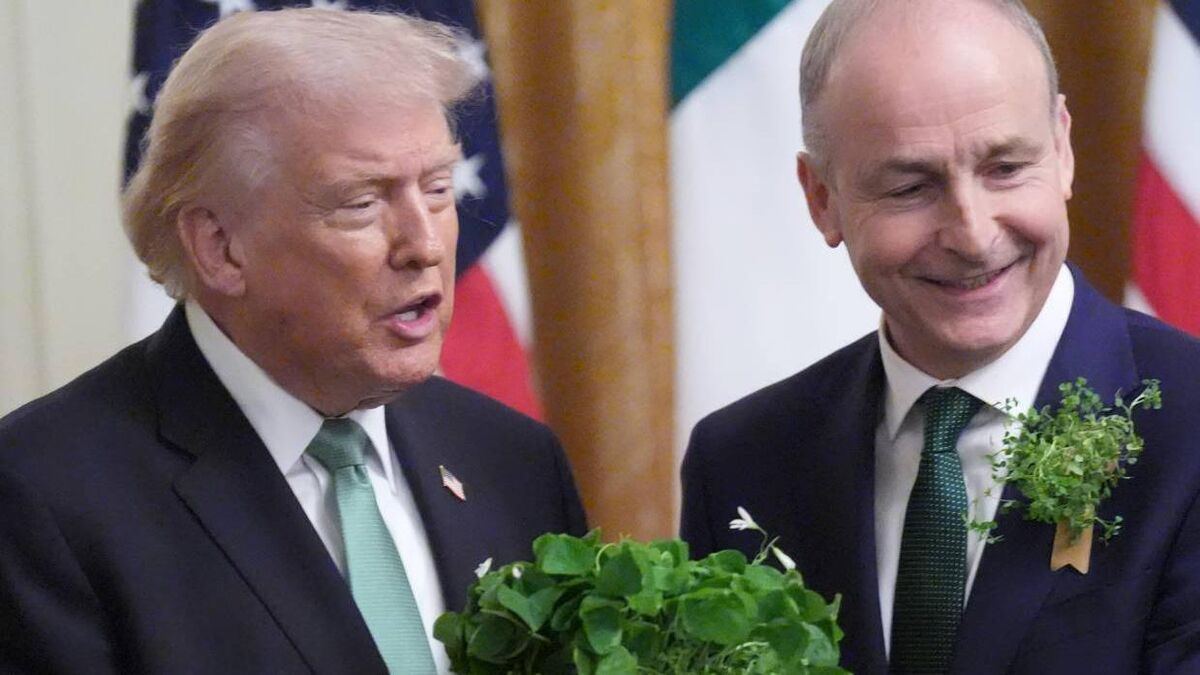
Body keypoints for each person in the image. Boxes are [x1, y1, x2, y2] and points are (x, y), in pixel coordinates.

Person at [0, 8, 586, 674]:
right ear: (220, 247)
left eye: (437, 189)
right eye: (362, 202)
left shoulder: (514, 459)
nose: (424, 245)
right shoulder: (42, 500)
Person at [681, 1, 1200, 673]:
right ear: (822, 199)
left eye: (1005, 168)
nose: (973, 235)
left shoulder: (1189, 429)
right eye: (910, 187)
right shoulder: (741, 463)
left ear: (1063, 149)